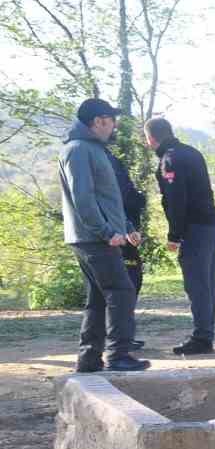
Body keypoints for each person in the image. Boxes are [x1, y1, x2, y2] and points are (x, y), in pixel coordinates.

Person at [59, 98, 147, 373]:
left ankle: (89, 359)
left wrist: (127, 227)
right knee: (122, 291)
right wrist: (107, 231)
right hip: (93, 238)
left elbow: (108, 199)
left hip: (97, 235)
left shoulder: (92, 149)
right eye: (111, 122)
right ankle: (119, 356)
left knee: (98, 298)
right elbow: (83, 199)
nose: (113, 127)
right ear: (98, 121)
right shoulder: (78, 150)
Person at [146, 117, 215, 355]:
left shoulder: (170, 159)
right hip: (212, 225)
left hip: (195, 229)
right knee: (207, 283)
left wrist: (174, 235)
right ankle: (205, 335)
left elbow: (176, 199)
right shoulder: (191, 152)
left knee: (198, 285)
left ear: (151, 138)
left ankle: (202, 339)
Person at [105, 147, 147, 350]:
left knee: (132, 282)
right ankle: (119, 339)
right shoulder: (101, 160)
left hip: (126, 228)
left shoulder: (110, 159)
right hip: (116, 234)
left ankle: (124, 335)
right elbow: (115, 199)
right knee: (125, 284)